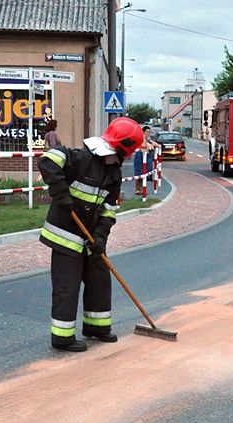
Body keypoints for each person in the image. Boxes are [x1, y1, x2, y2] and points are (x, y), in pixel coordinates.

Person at [38, 117, 144, 352]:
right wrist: (60, 192)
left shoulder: (113, 174)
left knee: (100, 280)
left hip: (90, 240)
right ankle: (62, 337)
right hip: (65, 235)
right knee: (68, 286)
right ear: (118, 147)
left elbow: (109, 209)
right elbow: (48, 160)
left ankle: (96, 328)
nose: (122, 159)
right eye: (124, 154)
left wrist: (101, 237)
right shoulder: (80, 158)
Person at [134, 126, 158, 195]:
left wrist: (149, 141)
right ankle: (137, 190)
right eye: (147, 132)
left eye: (149, 132)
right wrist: (144, 138)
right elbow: (145, 145)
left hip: (144, 156)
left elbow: (156, 144)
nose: (149, 133)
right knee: (138, 172)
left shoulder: (148, 139)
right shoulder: (141, 138)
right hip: (139, 156)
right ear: (143, 132)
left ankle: (141, 190)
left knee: (144, 172)